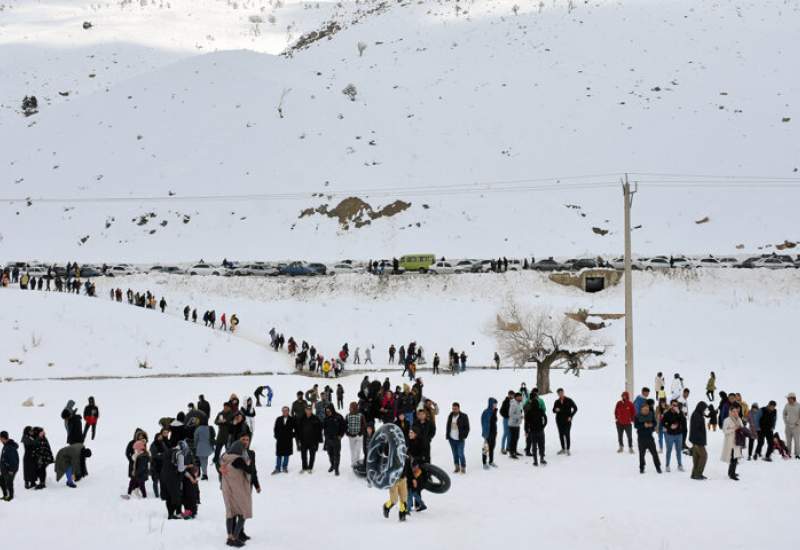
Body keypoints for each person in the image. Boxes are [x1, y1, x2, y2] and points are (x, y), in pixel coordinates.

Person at [220, 438, 254, 547]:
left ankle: (229, 537)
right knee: (243, 513)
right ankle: (235, 537)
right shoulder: (238, 460)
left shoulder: (224, 458)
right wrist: (248, 463)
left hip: (227, 489)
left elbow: (219, 467)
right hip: (238, 490)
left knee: (230, 513)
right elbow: (249, 471)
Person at [161, 441, 189, 518]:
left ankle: (170, 514)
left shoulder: (168, 451)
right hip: (174, 477)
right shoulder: (180, 454)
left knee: (168, 496)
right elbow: (180, 469)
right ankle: (178, 513)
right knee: (176, 495)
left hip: (164, 476)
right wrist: (186, 466)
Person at [722, 406, 749, 480]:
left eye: (736, 411)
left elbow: (742, 428)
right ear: (730, 412)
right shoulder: (726, 420)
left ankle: (731, 472)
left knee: (735, 458)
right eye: (733, 411)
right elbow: (724, 431)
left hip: (738, 441)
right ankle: (732, 474)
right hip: (730, 442)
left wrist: (741, 427)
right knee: (733, 458)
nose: (735, 413)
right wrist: (733, 429)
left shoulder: (739, 419)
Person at [635, 403, 662, 474]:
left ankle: (658, 467)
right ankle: (642, 467)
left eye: (647, 409)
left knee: (654, 453)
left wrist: (651, 425)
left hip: (650, 437)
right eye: (644, 410)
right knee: (641, 454)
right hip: (641, 438)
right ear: (641, 410)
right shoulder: (637, 416)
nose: (646, 411)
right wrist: (644, 425)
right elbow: (636, 425)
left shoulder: (651, 414)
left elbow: (655, 423)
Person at [445, 402, 469, 474]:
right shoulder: (450, 416)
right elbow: (448, 426)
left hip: (460, 439)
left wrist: (464, 436)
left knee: (460, 453)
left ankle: (463, 467)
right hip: (452, 439)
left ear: (459, 408)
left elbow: (467, 428)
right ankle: (457, 467)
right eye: (453, 408)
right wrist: (448, 436)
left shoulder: (464, 416)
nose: (454, 410)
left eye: (455, 409)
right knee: (455, 454)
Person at [552, 388, 578, 455]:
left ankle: (568, 449)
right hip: (559, 421)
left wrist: (571, 416)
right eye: (559, 393)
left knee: (567, 434)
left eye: (561, 392)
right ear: (557, 394)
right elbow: (553, 410)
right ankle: (563, 448)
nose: (560, 394)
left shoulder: (569, 400)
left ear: (563, 392)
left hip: (567, 420)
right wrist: (555, 409)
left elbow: (575, 408)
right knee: (561, 435)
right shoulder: (556, 401)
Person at [298, 406, 322, 473]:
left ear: (311, 410)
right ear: (305, 410)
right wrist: (299, 439)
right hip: (303, 440)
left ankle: (310, 467)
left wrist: (318, 441)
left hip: (313, 441)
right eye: (307, 410)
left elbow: (319, 430)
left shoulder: (316, 418)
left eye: (310, 410)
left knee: (312, 455)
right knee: (303, 455)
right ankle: (304, 467)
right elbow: (299, 430)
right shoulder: (301, 418)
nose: (308, 411)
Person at [323, 404, 346, 476]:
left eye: (329, 410)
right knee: (330, 454)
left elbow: (344, 427)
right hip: (328, 439)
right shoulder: (326, 418)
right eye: (326, 411)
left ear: (332, 409)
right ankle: (332, 465)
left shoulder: (339, 417)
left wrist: (340, 435)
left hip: (336, 438)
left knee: (337, 454)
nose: (328, 412)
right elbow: (324, 428)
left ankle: (336, 468)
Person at [662, 401, 685, 472]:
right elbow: (663, 423)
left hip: (679, 434)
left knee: (678, 451)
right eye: (673, 405)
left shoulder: (680, 412)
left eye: (676, 405)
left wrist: (679, 413)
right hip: (670, 435)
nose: (675, 406)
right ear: (671, 405)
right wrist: (669, 426)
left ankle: (680, 465)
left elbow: (683, 422)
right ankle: (667, 465)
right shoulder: (667, 413)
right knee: (669, 450)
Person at [525, 396, 548, 466]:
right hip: (540, 431)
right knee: (541, 445)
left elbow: (526, 422)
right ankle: (542, 458)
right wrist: (543, 426)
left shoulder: (529, 412)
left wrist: (527, 430)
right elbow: (546, 419)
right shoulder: (541, 410)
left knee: (534, 446)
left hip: (532, 431)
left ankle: (535, 461)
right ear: (538, 404)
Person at [272, 406, 294, 474]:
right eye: (283, 410)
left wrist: (292, 435)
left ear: (288, 411)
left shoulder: (292, 419)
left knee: (286, 454)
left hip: (288, 440)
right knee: (279, 454)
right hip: (280, 439)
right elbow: (275, 428)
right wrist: (276, 436)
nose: (285, 412)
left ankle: (285, 467)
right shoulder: (278, 419)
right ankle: (277, 468)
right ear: (282, 411)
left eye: (286, 410)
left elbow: (296, 429)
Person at [689, 402, 708, 480]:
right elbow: (696, 429)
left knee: (696, 457)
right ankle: (698, 474)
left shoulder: (697, 414)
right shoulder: (697, 415)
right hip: (698, 441)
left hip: (695, 440)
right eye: (704, 409)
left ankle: (694, 474)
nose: (705, 411)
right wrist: (698, 442)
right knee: (704, 456)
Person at [345, 402, 366, 466]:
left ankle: (357, 461)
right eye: (350, 407)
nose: (350, 408)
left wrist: (361, 432)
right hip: (351, 436)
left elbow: (364, 424)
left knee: (358, 449)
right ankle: (353, 462)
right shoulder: (347, 416)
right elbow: (345, 425)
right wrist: (347, 433)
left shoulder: (361, 415)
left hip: (359, 436)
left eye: (352, 407)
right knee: (352, 450)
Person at [0, 431, 20, 501]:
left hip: (10, 469)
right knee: (1, 480)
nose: (0, 440)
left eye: (0, 438)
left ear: (3, 438)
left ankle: (10, 496)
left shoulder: (10, 447)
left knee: (9, 482)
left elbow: (13, 460)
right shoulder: (6, 445)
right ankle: (5, 495)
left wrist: (11, 470)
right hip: (5, 468)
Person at [481, 398, 498, 469]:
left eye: (496, 404)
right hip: (487, 433)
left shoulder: (494, 411)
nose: (495, 405)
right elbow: (483, 423)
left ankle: (491, 461)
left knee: (492, 448)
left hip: (493, 433)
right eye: (494, 404)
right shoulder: (486, 412)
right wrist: (485, 434)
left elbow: (494, 422)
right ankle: (484, 463)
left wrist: (496, 431)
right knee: (485, 448)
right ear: (491, 403)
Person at [507, 392, 524, 459]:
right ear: (516, 397)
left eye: (521, 397)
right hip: (512, 424)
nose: (521, 398)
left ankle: (515, 451)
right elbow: (510, 414)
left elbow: (519, 412)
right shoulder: (513, 404)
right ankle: (512, 453)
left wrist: (520, 416)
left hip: (517, 424)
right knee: (513, 439)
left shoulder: (519, 403)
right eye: (520, 397)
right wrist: (519, 417)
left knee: (516, 438)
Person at [783, 392, 800, 458]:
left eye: (789, 398)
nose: (788, 400)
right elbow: (784, 414)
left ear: (793, 398)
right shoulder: (787, 405)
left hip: (796, 427)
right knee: (788, 441)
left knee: (797, 441)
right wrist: (786, 422)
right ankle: (788, 453)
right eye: (787, 398)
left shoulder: (798, 406)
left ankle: (797, 454)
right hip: (788, 427)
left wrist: (797, 423)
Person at [499, 390, 513, 455]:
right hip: (506, 419)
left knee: (510, 434)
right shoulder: (505, 402)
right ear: (508, 395)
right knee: (505, 433)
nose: (511, 396)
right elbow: (501, 411)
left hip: (511, 420)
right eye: (510, 394)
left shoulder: (513, 401)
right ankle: (502, 448)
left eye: (512, 395)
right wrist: (506, 416)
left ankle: (508, 447)